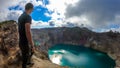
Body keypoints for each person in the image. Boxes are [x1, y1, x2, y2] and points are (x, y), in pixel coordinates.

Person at [18, 3, 35, 68]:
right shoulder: (28, 17)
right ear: (31, 8)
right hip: (25, 42)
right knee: (25, 57)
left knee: (24, 55)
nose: (32, 11)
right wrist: (32, 45)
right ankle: (25, 65)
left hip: (20, 41)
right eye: (32, 9)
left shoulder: (20, 17)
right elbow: (28, 31)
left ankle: (28, 63)